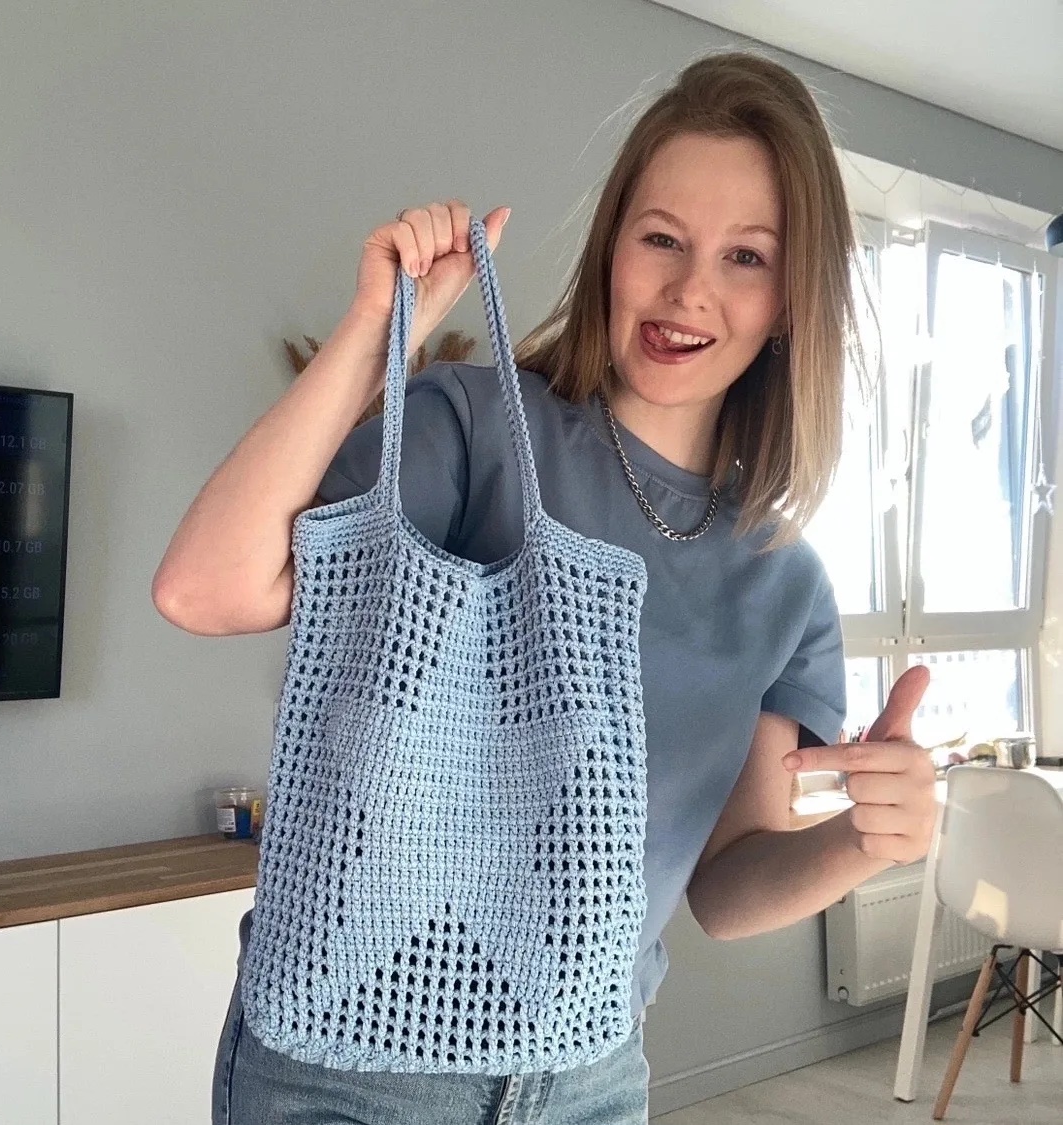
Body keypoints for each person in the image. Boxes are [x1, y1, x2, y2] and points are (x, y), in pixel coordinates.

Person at [153, 50, 936, 1125]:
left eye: (746, 256)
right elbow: (204, 589)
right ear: (611, 247)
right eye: (660, 238)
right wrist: (379, 331)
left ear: (792, 300)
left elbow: (724, 888)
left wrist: (865, 840)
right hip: (353, 1063)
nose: (689, 290)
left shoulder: (784, 583)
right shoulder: (474, 427)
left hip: (587, 1077)